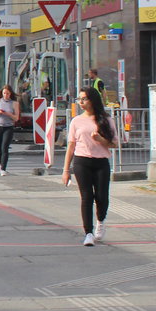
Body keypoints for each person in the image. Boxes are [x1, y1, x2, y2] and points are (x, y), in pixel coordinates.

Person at [61, 85, 117, 246]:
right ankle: (88, 233)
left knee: (102, 197)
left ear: (92, 100)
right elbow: (70, 146)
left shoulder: (106, 120)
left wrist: (101, 140)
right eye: (79, 99)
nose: (81, 102)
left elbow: (114, 143)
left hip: (101, 162)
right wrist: (66, 171)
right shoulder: (76, 121)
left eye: (84, 99)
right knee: (86, 197)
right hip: (81, 161)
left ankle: (100, 221)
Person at [0, 85, 21, 175]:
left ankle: (3, 169)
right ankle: (1, 165)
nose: (6, 95)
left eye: (8, 93)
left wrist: (8, 114)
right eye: (4, 93)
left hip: (8, 127)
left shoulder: (14, 103)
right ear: (2, 93)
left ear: (11, 93)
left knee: (4, 147)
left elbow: (16, 118)